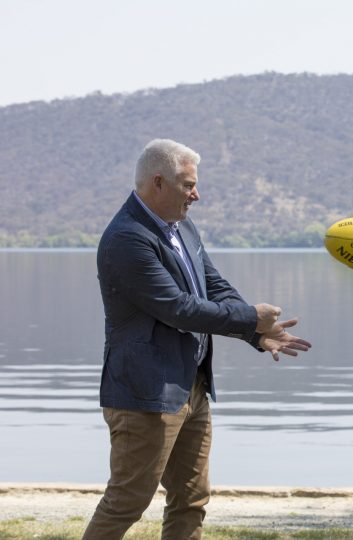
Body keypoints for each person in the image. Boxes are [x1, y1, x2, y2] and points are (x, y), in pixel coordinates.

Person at [83, 139, 312, 539]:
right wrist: (250, 319)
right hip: (145, 395)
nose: (196, 194)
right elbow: (178, 308)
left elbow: (213, 286)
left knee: (191, 499)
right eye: (188, 185)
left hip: (192, 388)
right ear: (158, 182)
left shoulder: (182, 227)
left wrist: (256, 335)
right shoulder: (127, 238)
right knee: (127, 502)